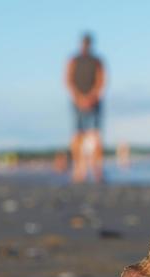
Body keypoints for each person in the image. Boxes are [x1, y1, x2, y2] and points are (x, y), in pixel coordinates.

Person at [65, 32, 106, 183]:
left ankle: (96, 169)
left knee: (94, 135)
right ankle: (79, 169)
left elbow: (101, 80)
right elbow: (68, 80)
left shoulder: (97, 61)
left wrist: (91, 96)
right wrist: (79, 97)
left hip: (92, 100)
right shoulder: (74, 60)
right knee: (78, 135)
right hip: (79, 100)